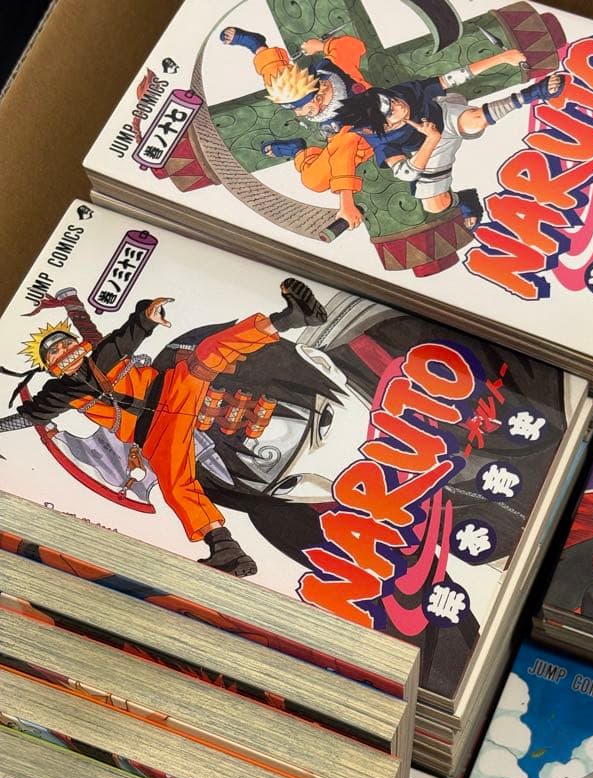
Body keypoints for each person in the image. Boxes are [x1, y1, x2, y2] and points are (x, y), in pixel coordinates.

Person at [1, 278, 326, 576]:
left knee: (208, 352)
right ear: (50, 366)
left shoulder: (104, 353)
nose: (61, 351)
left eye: (62, 343)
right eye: (53, 351)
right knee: (176, 484)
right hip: (154, 433)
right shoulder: (59, 393)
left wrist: (144, 315)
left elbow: (114, 328)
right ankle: (226, 549)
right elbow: (27, 417)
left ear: (78, 345)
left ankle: (292, 318)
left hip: (172, 389)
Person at [335, 61, 564, 228]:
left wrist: (502, 58)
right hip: (430, 147)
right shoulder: (381, 140)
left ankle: (532, 93)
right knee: (435, 206)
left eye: (393, 101)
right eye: (392, 111)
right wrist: (432, 139)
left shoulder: (404, 93)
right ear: (384, 126)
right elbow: (406, 173)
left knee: (474, 121)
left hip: (445, 114)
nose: (399, 106)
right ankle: (465, 199)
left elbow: (451, 78)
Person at [221, 26, 373, 230]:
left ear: (318, 96)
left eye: (303, 109)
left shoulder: (340, 70)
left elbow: (355, 46)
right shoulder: (321, 71)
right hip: (341, 137)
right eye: (295, 109)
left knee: (313, 181)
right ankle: (257, 45)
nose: (299, 114)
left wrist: (346, 203)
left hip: (365, 139)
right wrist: (321, 47)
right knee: (278, 82)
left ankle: (297, 151)